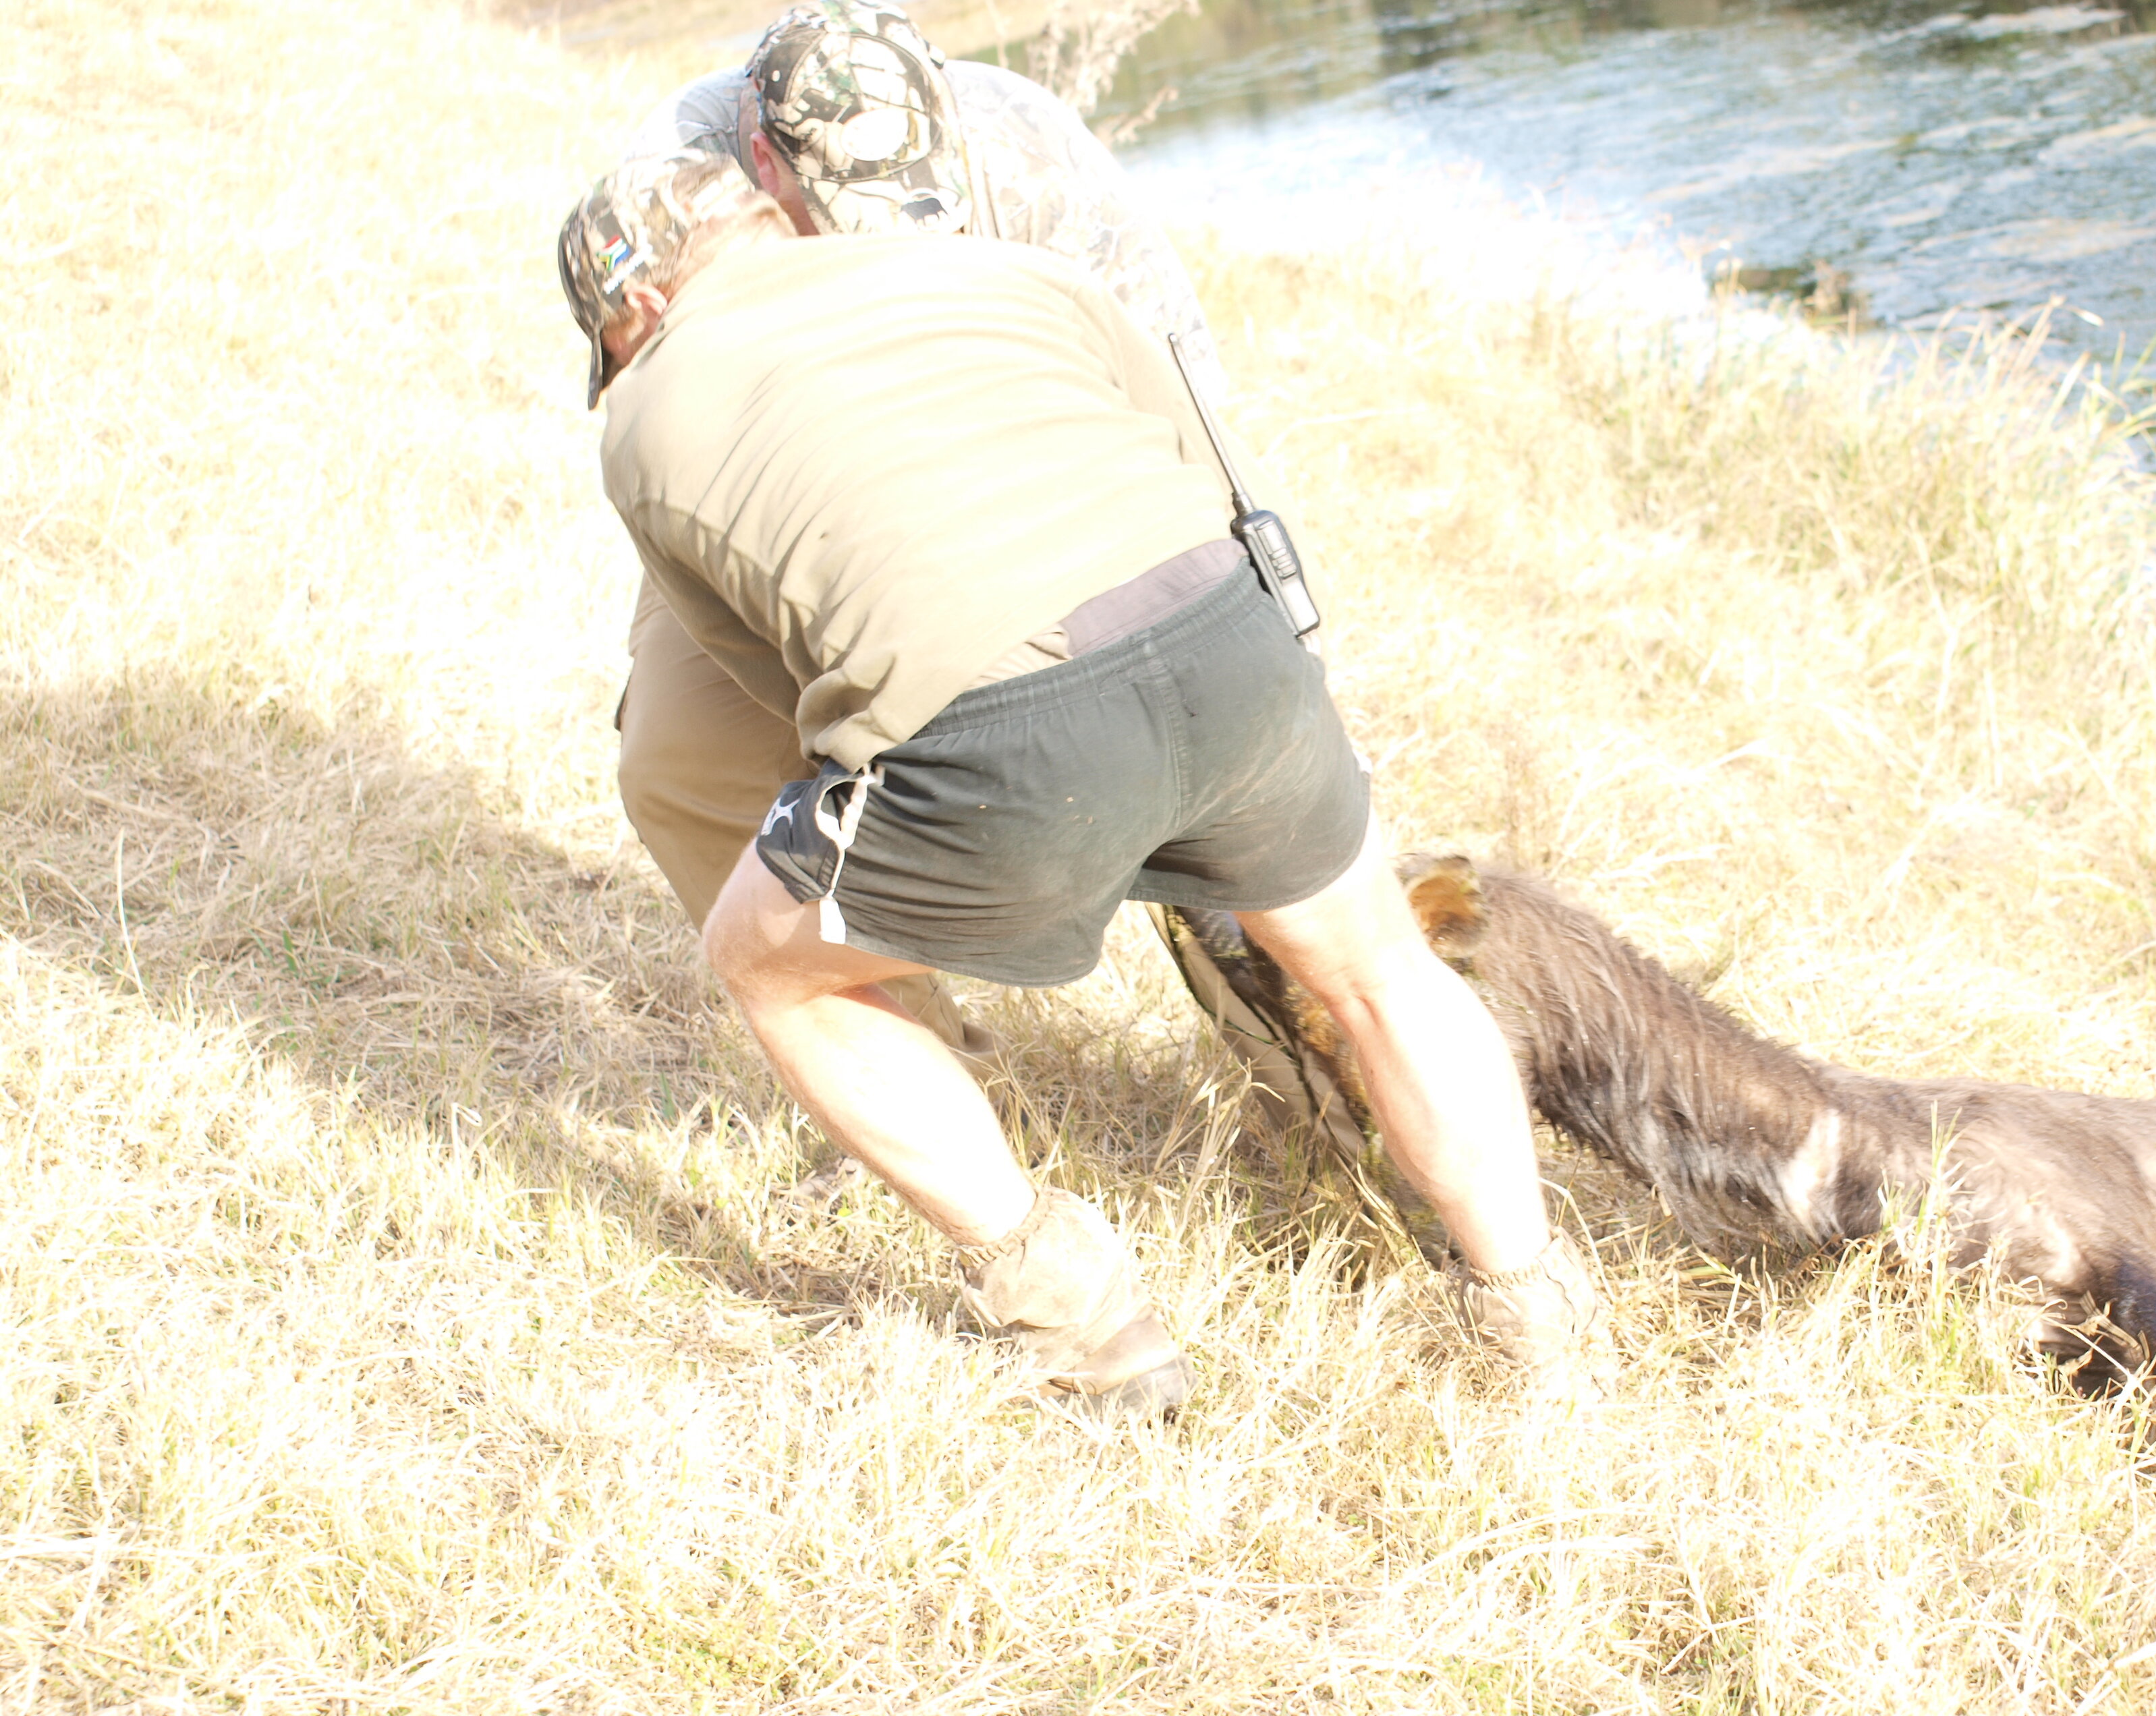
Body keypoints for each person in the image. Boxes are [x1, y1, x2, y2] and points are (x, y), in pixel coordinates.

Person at [557, 152, 1613, 1410]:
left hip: (998, 723)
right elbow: (1192, 455)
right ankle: (1537, 1325)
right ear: (775, 222)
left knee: (765, 959)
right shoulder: (997, 263)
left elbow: (774, 686)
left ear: (634, 316)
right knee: (1383, 972)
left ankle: (1084, 1327)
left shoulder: (644, 415)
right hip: (1232, 643)